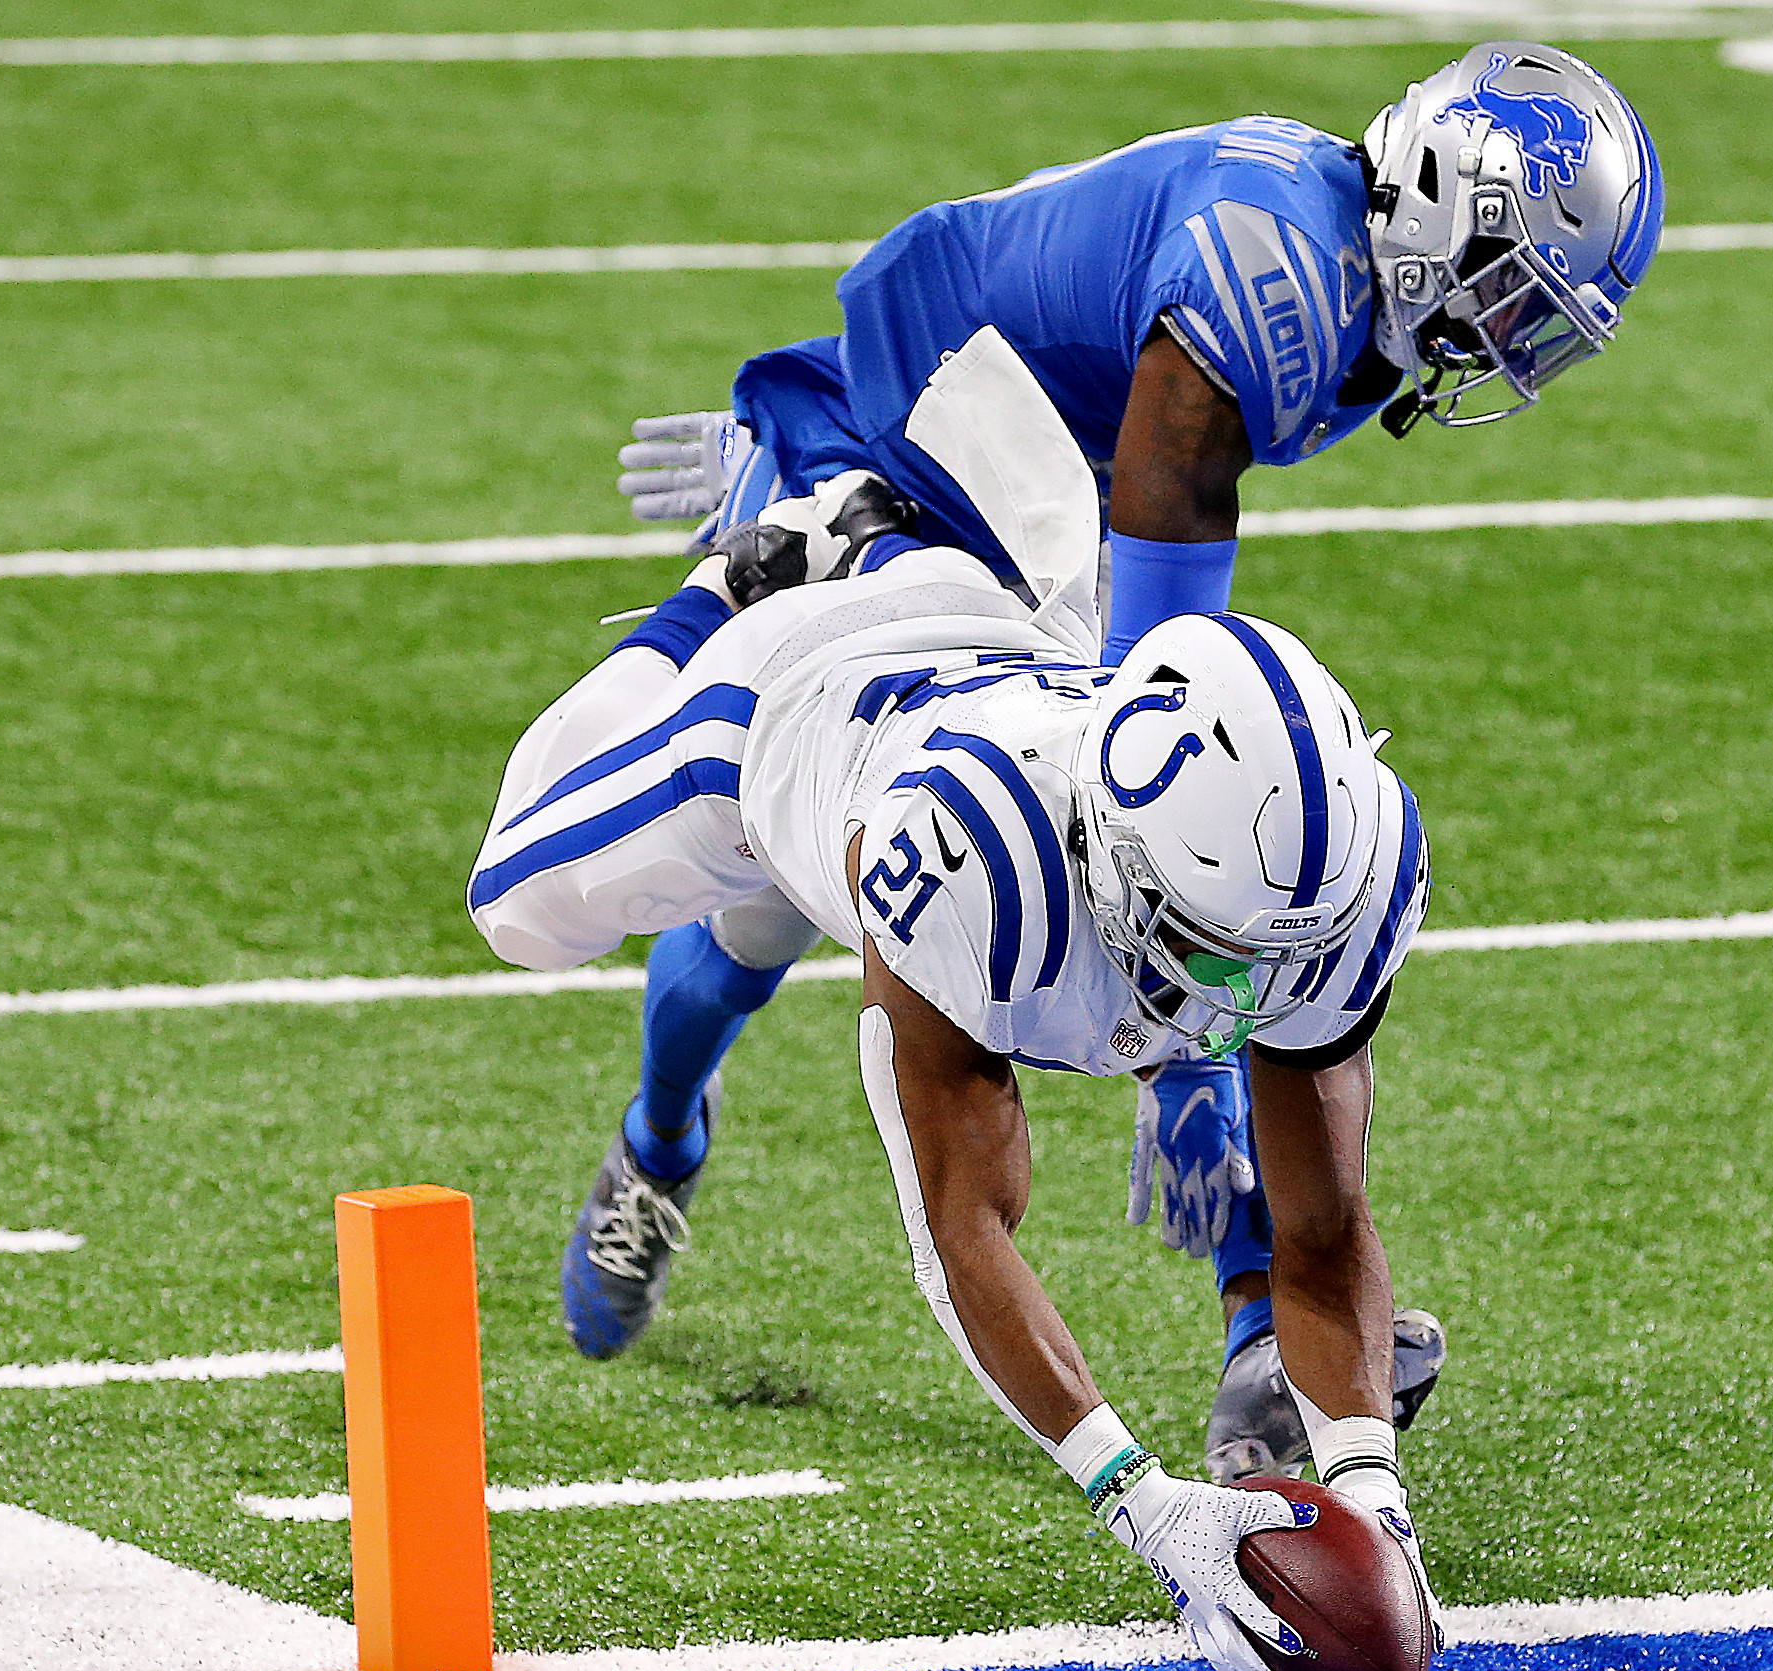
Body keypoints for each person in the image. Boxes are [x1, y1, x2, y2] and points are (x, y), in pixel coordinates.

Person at [581, 41, 1661, 1478]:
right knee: (787, 910)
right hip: (918, 484)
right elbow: (1129, 726)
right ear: (1431, 205)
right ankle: (661, 1141)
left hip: (1018, 488)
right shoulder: (1267, 291)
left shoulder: (1330, 281)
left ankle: (1262, 1335)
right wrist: (1189, 1072)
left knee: (1221, 904)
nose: (1513, 343)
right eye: (1514, 292)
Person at [469, 335, 1437, 1671]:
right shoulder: (965, 856)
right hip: (796, 718)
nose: (1238, 997)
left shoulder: (1331, 876)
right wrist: (1143, 1504)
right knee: (522, 905)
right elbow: (961, 1227)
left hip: (999, 628)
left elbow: (1326, 1228)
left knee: (744, 947)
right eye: (1212, 948)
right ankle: (739, 567)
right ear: (1117, 856)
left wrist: (1371, 1496)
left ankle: (866, 527)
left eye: (1268, 954)